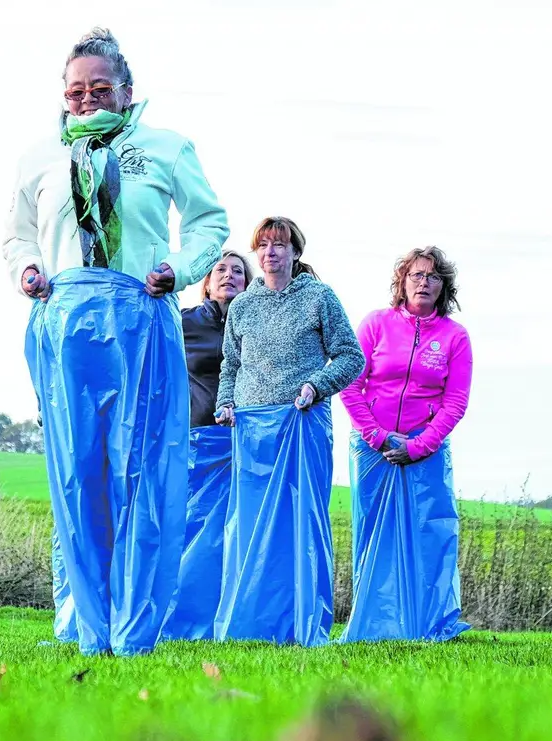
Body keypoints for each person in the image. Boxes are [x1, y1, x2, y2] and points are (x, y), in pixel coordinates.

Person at [4, 27, 230, 657]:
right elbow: (17, 234)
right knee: (78, 474)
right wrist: (26, 270)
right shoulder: (39, 158)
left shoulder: (166, 147)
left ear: (127, 92)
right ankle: (85, 623)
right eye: (76, 90)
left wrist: (178, 271)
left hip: (140, 317)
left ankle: (135, 627)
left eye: (100, 88)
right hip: (67, 324)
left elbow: (211, 222)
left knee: (140, 468)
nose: (86, 100)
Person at [212, 217, 364, 646]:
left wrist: (316, 386)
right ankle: (249, 623)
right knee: (250, 525)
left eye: (280, 244)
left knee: (301, 524)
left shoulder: (319, 298)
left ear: (296, 252)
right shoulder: (243, 306)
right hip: (252, 431)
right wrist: (226, 402)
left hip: (301, 424)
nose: (271, 252)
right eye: (263, 245)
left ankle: (301, 623)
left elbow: (351, 358)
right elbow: (231, 365)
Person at [339, 246, 472, 642]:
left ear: (443, 287)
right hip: (372, 449)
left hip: (424, 453)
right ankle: (373, 625)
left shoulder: (454, 337)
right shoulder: (376, 324)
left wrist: (418, 446)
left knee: (429, 537)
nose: (424, 282)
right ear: (402, 281)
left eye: (433, 277)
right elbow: (350, 383)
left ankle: (427, 624)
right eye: (416, 275)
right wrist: (377, 436)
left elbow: (456, 401)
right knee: (372, 537)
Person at [161, 252, 253, 640]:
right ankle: (178, 617)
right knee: (191, 530)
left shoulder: (257, 325)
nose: (229, 276)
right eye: (221, 270)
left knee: (231, 536)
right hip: (198, 440)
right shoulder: (185, 323)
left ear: (249, 284)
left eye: (238, 271)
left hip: (245, 444)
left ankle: (226, 618)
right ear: (207, 280)